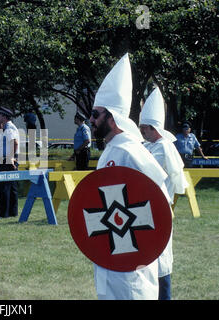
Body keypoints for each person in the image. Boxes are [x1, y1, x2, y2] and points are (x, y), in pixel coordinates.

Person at [89, 53, 171, 300]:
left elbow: (158, 201)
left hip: (131, 250)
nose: (90, 120)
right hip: (111, 246)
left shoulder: (131, 151)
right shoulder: (111, 150)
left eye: (95, 114)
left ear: (112, 118)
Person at [139, 87, 189, 300]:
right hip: (143, 208)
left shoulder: (164, 147)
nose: (142, 132)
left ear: (154, 128)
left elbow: (171, 178)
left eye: (144, 129)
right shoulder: (147, 145)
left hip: (158, 208)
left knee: (161, 259)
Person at [0, 106, 20, 218]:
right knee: (11, 186)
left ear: (4, 117)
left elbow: (14, 143)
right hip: (10, 158)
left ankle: (3, 213)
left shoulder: (9, 128)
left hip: (8, 159)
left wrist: (10, 157)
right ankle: (12, 212)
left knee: (5, 186)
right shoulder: (7, 127)